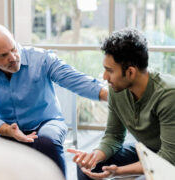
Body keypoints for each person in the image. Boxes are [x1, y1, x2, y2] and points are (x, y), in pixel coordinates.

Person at [0, 24, 107, 178]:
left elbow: (76, 80)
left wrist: (113, 95)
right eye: (2, 55)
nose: (13, 58)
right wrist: (6, 129)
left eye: (13, 49)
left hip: (46, 122)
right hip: (5, 127)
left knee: (47, 141)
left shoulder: (41, 59)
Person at [68, 28, 175, 180]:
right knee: (89, 169)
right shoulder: (117, 90)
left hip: (170, 160)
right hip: (147, 151)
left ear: (130, 72)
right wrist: (95, 156)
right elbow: (114, 135)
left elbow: (168, 158)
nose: (105, 77)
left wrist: (118, 171)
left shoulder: (168, 95)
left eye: (109, 71)